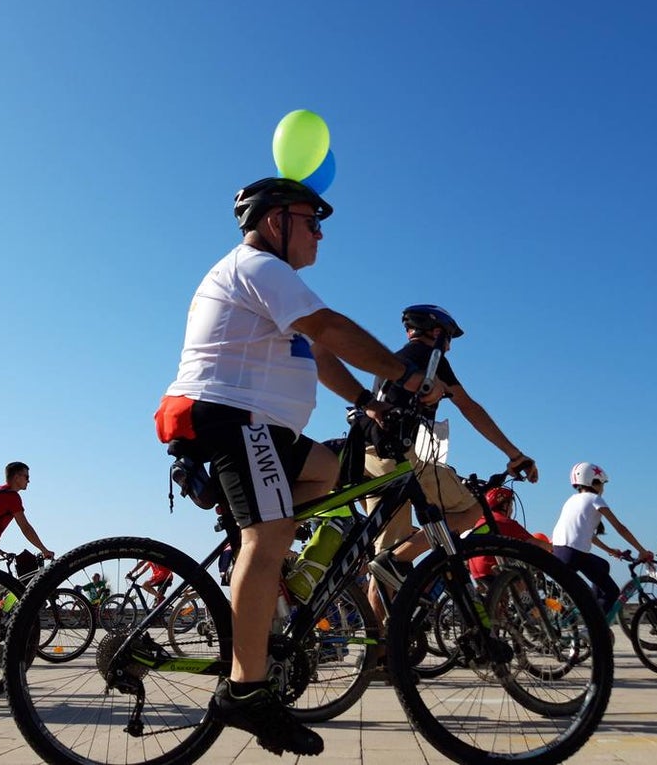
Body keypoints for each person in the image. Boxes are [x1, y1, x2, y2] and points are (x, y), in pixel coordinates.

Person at [154, 176, 442, 756]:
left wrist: (367, 401)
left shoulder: (273, 286)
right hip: (234, 418)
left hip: (258, 425)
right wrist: (405, 374)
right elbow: (330, 327)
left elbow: (319, 352)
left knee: (328, 473)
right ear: (274, 221)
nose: (319, 234)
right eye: (312, 221)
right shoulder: (259, 268)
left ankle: (267, 566)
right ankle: (245, 690)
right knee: (271, 532)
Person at [362, 305, 538, 622]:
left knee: (382, 563)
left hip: (369, 458)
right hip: (401, 458)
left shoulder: (395, 360)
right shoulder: (431, 358)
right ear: (437, 332)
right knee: (472, 509)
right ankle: (399, 558)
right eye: (449, 338)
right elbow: (469, 407)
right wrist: (514, 453)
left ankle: (380, 652)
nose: (449, 346)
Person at [0, 461, 55, 666]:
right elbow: (25, 527)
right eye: (26, 476)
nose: (28, 480)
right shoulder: (12, 497)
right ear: (16, 477)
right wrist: (43, 549)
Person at [551, 462, 653, 614]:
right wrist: (642, 551)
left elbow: (587, 535)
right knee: (612, 593)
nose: (603, 489)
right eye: (602, 484)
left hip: (559, 552)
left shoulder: (572, 500)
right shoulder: (594, 499)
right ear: (593, 482)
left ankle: (591, 609)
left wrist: (609, 550)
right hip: (575, 554)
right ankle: (594, 628)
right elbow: (620, 528)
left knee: (603, 564)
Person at [467, 487, 553, 581]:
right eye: (511, 505)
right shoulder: (505, 522)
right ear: (505, 506)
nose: (512, 510)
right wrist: (553, 548)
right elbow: (534, 543)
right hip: (493, 570)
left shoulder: (480, 521)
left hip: (476, 573)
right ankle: (526, 594)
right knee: (527, 567)